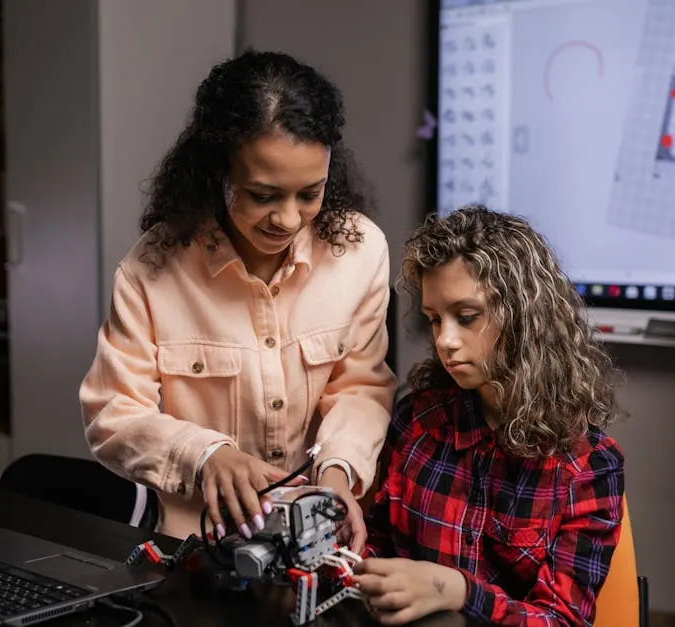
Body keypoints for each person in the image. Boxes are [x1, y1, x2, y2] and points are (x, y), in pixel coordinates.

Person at [79, 50, 397, 546]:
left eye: (309, 193)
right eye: (263, 196)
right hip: (198, 545)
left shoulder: (360, 253)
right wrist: (204, 456)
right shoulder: (151, 270)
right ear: (217, 173)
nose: (288, 220)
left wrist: (337, 472)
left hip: (318, 535)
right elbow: (113, 414)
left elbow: (360, 387)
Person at [355, 206, 626, 627]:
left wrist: (459, 592)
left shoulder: (588, 466)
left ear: (523, 315)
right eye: (433, 319)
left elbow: (561, 620)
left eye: (467, 318)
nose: (444, 340)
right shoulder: (417, 420)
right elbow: (377, 545)